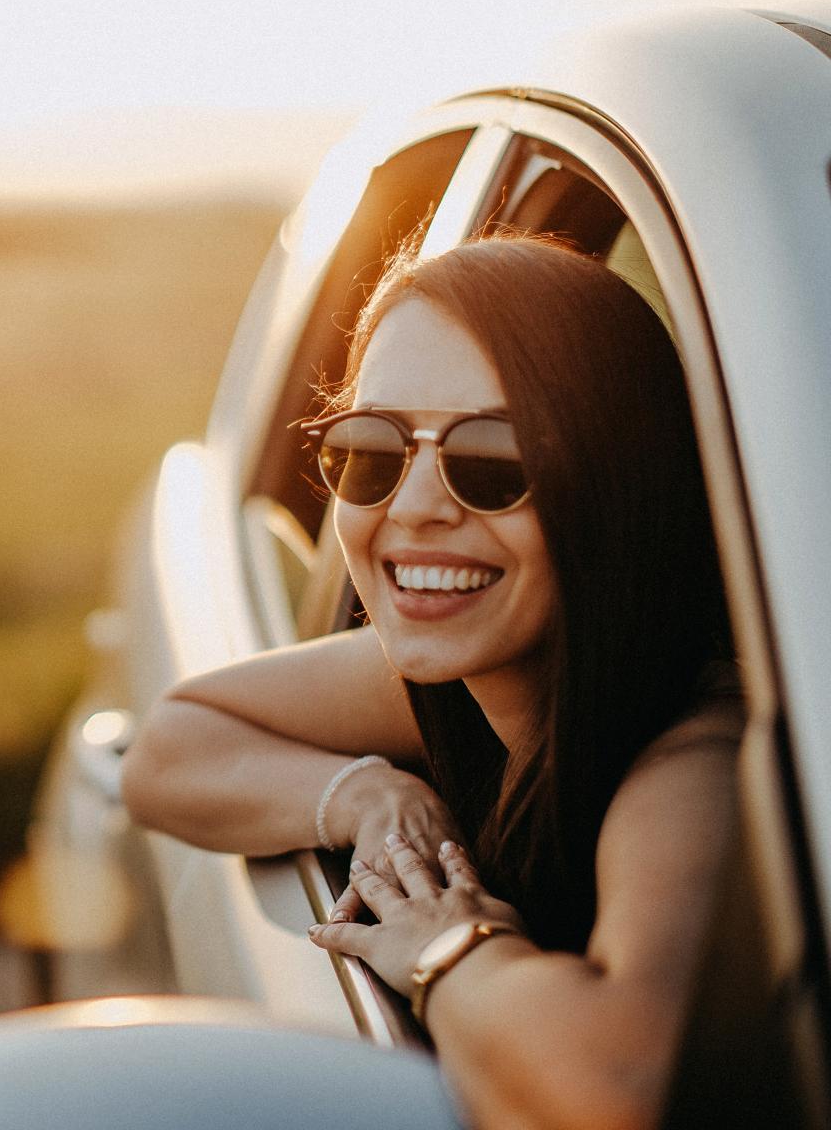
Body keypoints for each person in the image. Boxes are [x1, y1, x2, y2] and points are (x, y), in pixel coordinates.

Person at [120, 235, 743, 1130]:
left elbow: (613, 1091)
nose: (412, 505)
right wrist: (364, 795)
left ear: (622, 483)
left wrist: (445, 947)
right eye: (371, 450)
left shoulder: (697, 763)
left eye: (493, 463)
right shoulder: (467, 670)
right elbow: (168, 749)